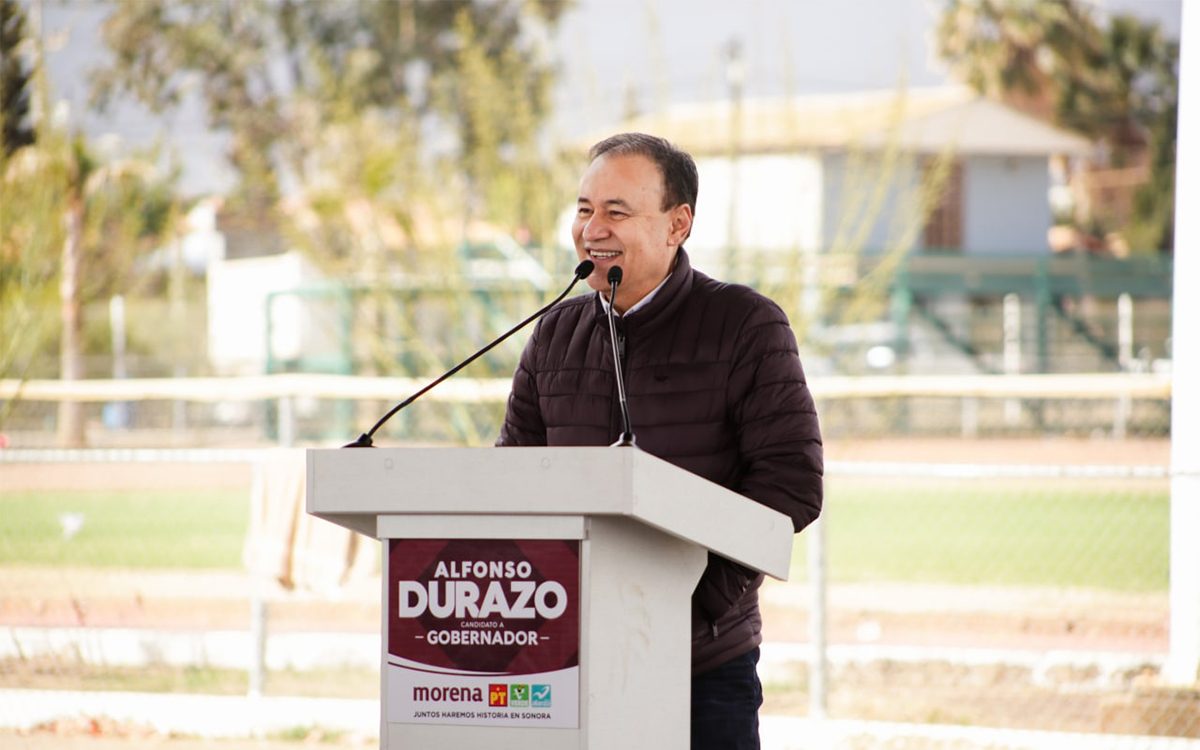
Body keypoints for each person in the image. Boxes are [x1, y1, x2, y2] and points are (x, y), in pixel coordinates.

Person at [497, 132, 823, 749]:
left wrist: (687, 603)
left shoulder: (746, 325)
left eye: (616, 212)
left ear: (678, 224)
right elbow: (510, 483)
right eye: (584, 209)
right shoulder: (554, 333)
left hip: (701, 669)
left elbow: (791, 485)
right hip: (562, 663)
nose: (592, 229)